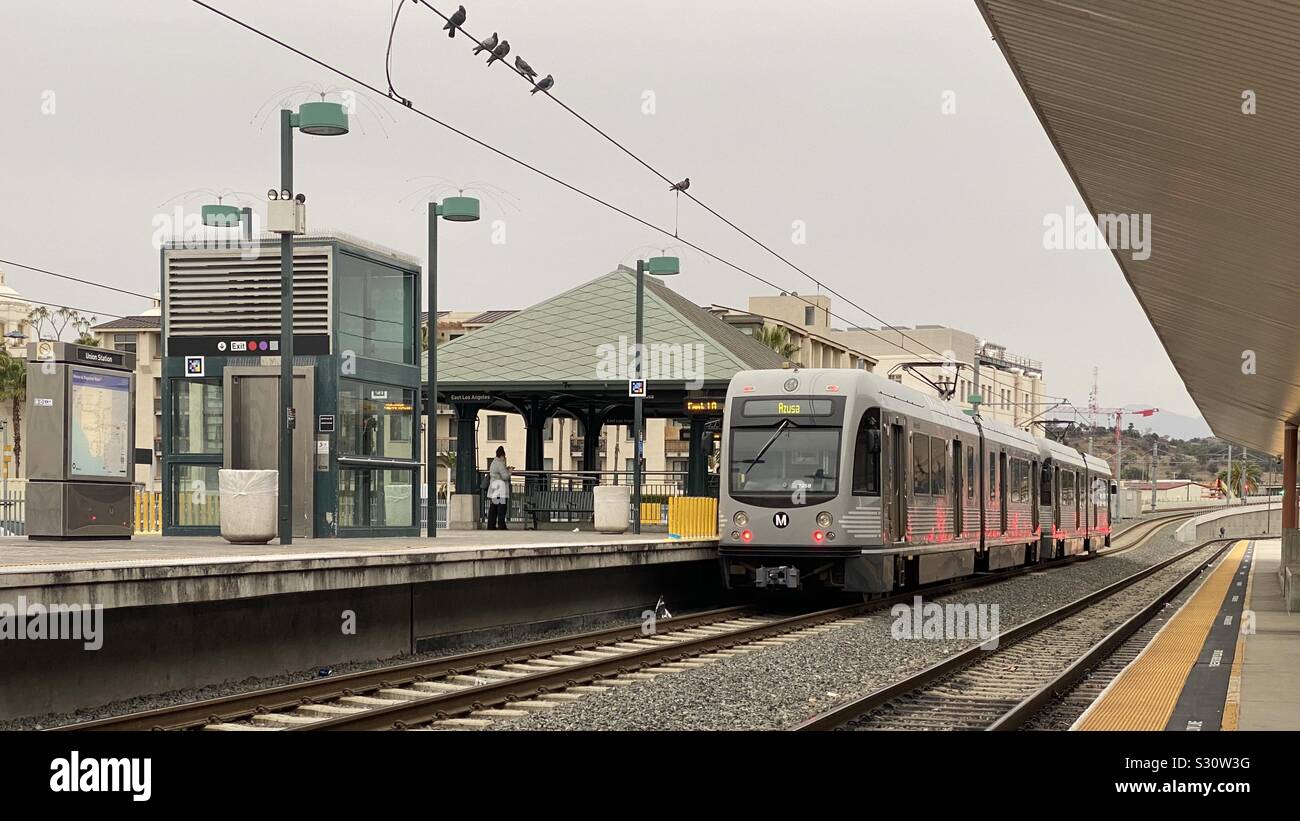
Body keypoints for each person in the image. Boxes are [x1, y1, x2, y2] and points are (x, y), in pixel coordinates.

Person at [486, 446, 513, 530]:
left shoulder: (493, 462)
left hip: (494, 487)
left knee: (494, 508)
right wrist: (509, 471)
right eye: (504, 456)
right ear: (502, 455)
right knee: (502, 508)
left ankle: (491, 525)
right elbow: (505, 477)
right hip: (500, 489)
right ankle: (502, 525)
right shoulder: (500, 463)